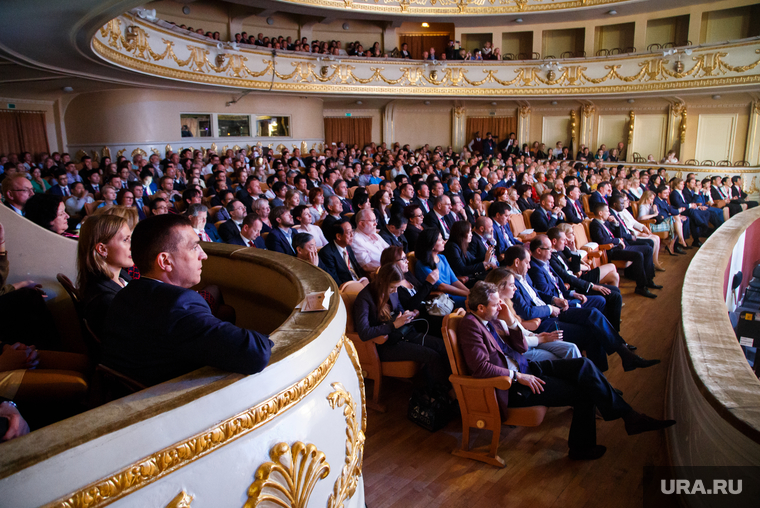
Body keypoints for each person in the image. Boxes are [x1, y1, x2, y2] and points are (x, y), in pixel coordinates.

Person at [457, 281, 675, 460]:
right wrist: (518, 376)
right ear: (481, 308)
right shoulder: (470, 326)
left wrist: (511, 323)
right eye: (496, 305)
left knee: (584, 365)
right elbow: (480, 367)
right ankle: (585, 446)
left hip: (528, 368)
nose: (501, 307)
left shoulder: (492, 320)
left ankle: (630, 417)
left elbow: (521, 347)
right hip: (512, 386)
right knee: (583, 392)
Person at [101, 214, 273, 386]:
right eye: (194, 247)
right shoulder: (179, 304)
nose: (203, 255)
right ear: (165, 261)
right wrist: (269, 339)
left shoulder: (126, 293)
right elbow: (256, 353)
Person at [503, 246, 658, 372]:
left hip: (552, 312)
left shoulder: (522, 275)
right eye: (527, 262)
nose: (529, 266)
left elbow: (536, 294)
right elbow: (527, 312)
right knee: (591, 333)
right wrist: (550, 308)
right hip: (543, 322)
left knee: (592, 314)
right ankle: (605, 372)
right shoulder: (508, 283)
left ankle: (624, 355)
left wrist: (553, 299)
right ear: (517, 262)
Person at [353, 263, 450, 395]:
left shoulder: (393, 290)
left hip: (401, 333)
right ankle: (439, 395)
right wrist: (393, 325)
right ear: (382, 281)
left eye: (397, 287)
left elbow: (398, 308)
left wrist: (406, 315)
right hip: (384, 344)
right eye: (392, 287)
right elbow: (364, 333)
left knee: (443, 346)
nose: (395, 291)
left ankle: (448, 389)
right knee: (432, 355)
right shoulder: (364, 298)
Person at [484, 270, 579, 362]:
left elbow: (520, 328)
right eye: (512, 285)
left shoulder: (507, 303)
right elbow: (515, 341)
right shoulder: (496, 311)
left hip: (531, 340)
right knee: (559, 359)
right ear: (500, 287)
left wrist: (535, 335)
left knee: (571, 348)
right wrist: (541, 339)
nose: (515, 288)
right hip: (519, 351)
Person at [77, 214, 134, 343]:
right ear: (102, 249)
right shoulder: (105, 300)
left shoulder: (121, 276)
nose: (132, 246)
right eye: (125, 240)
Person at [589, 203, 661, 299]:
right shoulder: (595, 224)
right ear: (600, 213)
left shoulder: (606, 222)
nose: (609, 213)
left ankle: (649, 280)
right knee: (638, 255)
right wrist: (618, 241)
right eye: (607, 211)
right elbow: (602, 240)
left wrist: (616, 224)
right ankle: (641, 287)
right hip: (611, 251)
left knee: (648, 248)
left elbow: (619, 235)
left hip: (620, 247)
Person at [414, 227, 469, 307]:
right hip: (443, 300)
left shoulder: (442, 257)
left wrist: (470, 292)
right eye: (440, 239)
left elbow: (454, 281)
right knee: (477, 302)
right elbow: (442, 287)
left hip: (453, 294)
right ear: (432, 244)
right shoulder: (422, 265)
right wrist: (469, 295)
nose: (444, 242)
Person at [444, 220, 495, 285]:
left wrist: (486, 257)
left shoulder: (460, 244)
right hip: (460, 281)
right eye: (469, 232)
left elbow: (472, 260)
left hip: (470, 276)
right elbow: (462, 269)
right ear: (462, 233)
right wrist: (484, 263)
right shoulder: (452, 247)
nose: (471, 235)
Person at [319, 219, 366, 286]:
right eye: (349, 232)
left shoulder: (348, 246)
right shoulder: (327, 253)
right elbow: (334, 279)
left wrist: (363, 279)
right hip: (346, 287)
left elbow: (356, 268)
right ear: (338, 236)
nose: (352, 235)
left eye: (352, 231)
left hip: (359, 282)